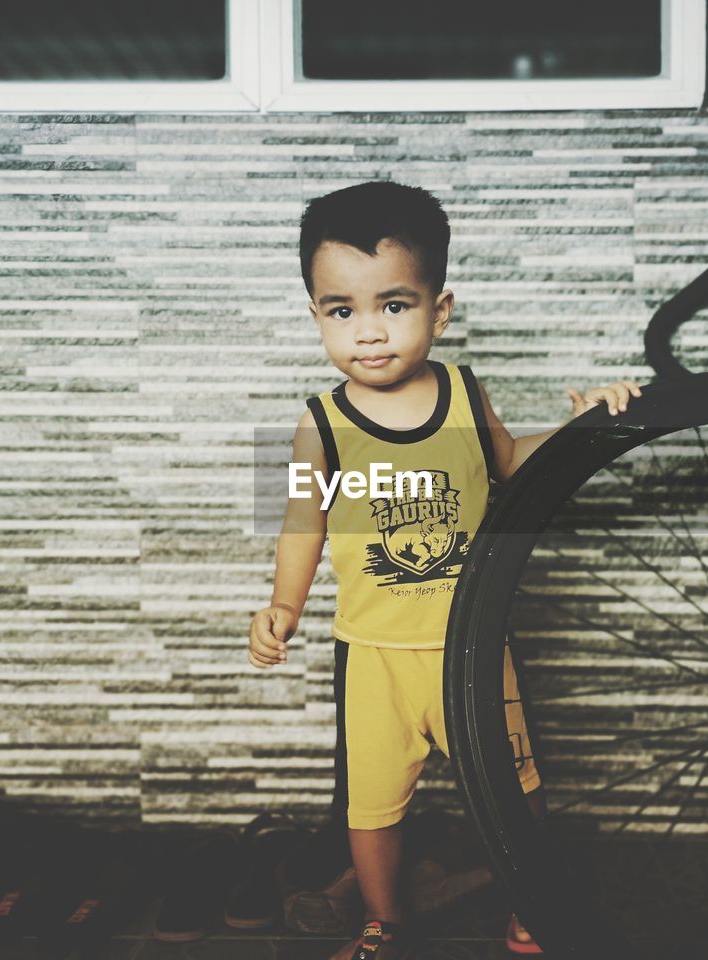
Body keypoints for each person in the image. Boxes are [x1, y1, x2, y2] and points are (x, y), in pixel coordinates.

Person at [248, 180, 641, 960]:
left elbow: (513, 465)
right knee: (372, 810)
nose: (369, 332)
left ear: (440, 308)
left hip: (472, 647)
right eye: (342, 310)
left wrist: (582, 422)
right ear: (316, 315)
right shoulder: (318, 426)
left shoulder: (462, 393)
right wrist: (282, 608)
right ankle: (384, 925)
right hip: (375, 655)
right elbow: (304, 520)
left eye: (394, 305)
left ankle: (533, 907)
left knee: (517, 791)